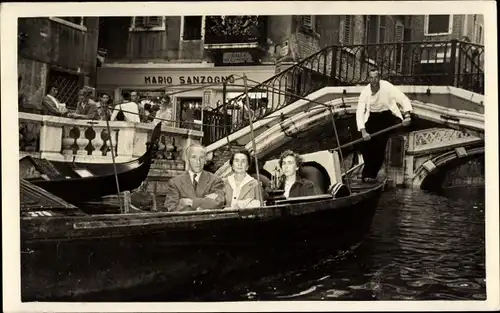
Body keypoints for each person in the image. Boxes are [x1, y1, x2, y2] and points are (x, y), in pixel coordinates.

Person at [356, 68, 413, 183]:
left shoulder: (387, 86)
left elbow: (402, 98)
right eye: (371, 78)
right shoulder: (365, 92)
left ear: (379, 78)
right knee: (365, 144)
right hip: (372, 117)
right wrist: (363, 131)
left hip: (387, 116)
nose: (374, 80)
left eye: (376, 77)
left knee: (379, 145)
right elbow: (359, 111)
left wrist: (407, 115)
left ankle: (371, 175)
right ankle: (366, 174)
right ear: (369, 79)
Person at [163, 143, 225, 212]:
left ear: (205, 160)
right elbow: (171, 208)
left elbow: (218, 202)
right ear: (188, 159)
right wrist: (206, 202)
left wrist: (190, 202)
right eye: (194, 157)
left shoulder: (215, 180)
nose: (198, 162)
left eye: (201, 158)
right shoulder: (175, 182)